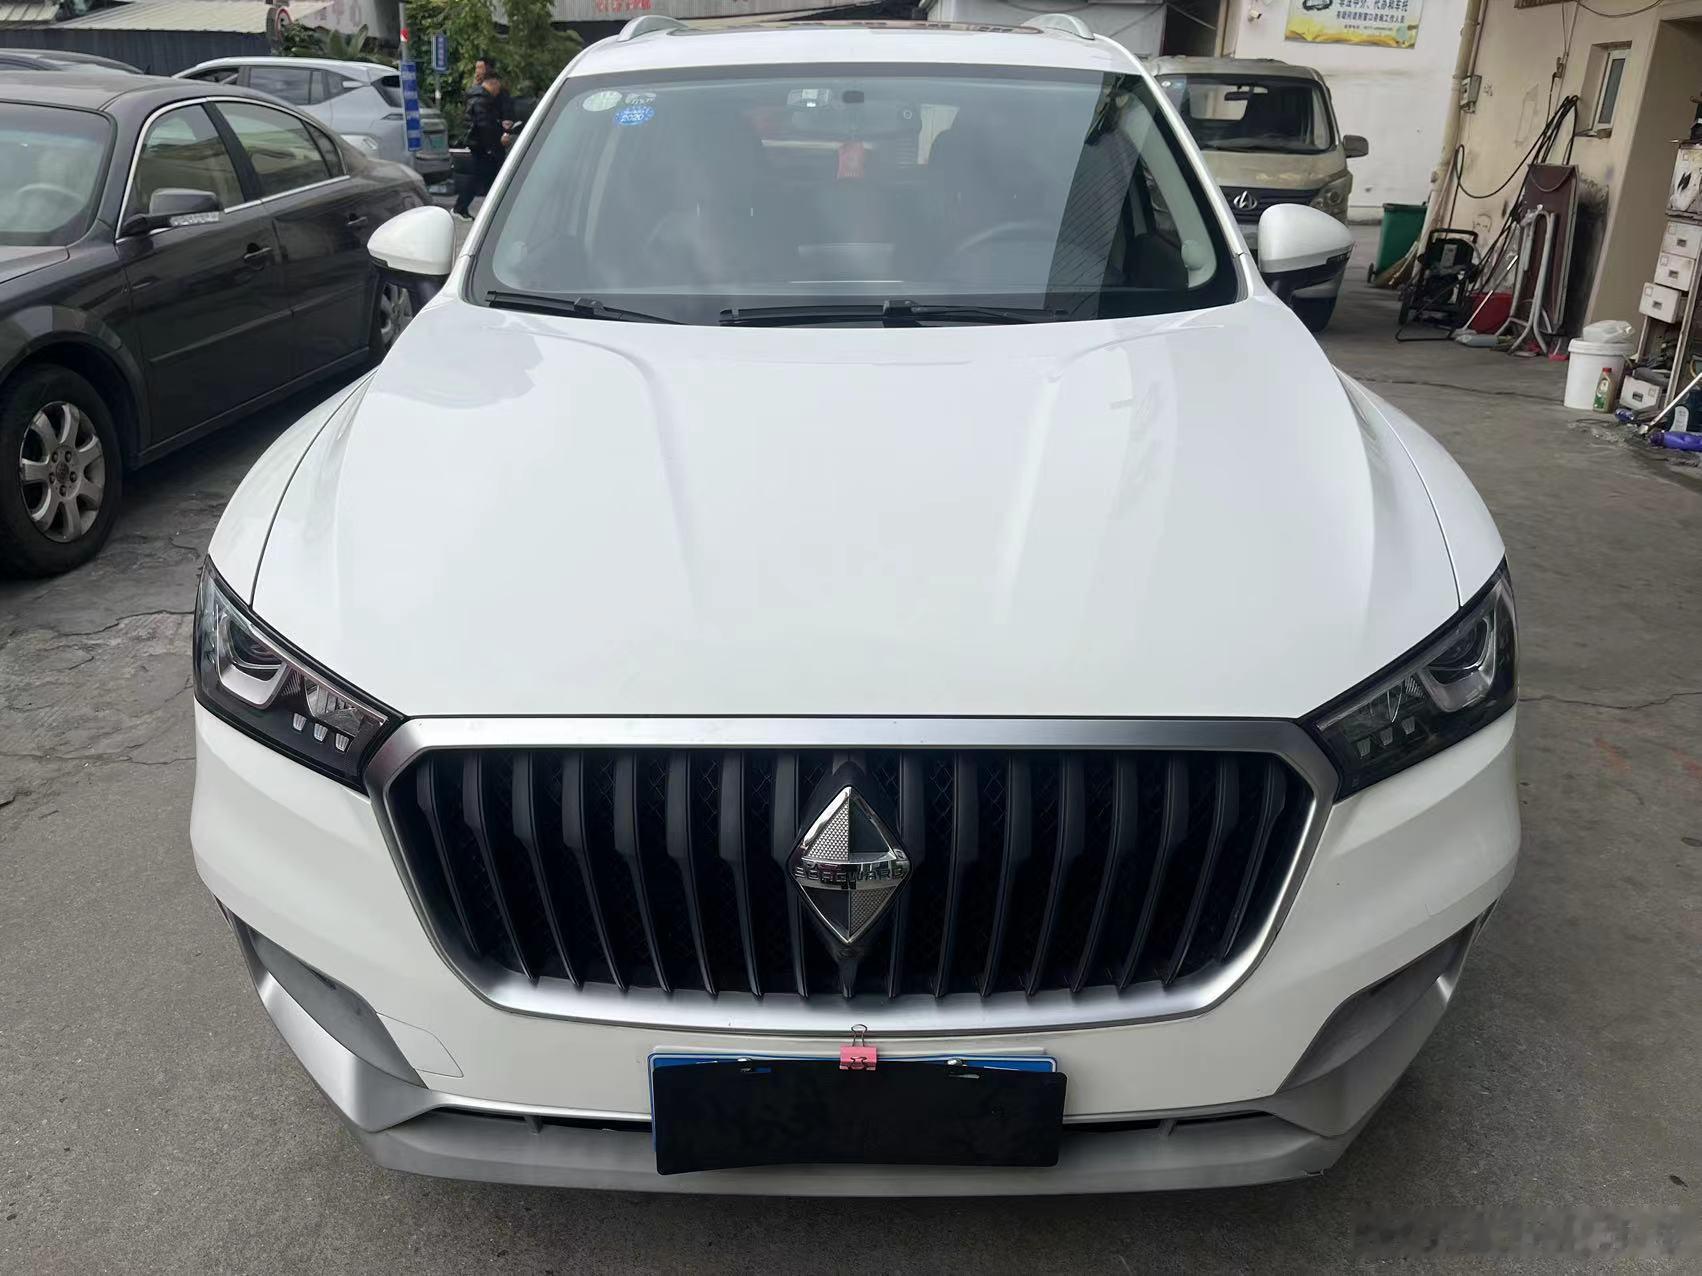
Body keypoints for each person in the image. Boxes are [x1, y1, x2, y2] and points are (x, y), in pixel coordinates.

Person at [452, 72, 509, 219]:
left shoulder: (479, 97)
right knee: (481, 178)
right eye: (498, 87)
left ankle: (463, 208)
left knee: (483, 177)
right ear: (493, 83)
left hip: (479, 144)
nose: (498, 91)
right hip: (482, 145)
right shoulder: (482, 99)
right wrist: (494, 144)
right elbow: (484, 125)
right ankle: (460, 208)